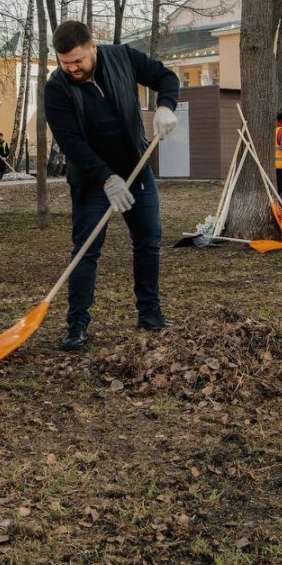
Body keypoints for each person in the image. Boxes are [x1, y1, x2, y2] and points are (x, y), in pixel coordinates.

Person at [45, 19, 180, 350]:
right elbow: (71, 142)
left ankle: (150, 314)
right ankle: (77, 323)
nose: (72, 68)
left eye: (77, 61)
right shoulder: (56, 88)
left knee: (148, 241)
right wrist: (106, 178)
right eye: (65, 63)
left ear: (93, 46)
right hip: (92, 179)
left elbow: (166, 77)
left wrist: (166, 106)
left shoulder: (122, 58)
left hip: (136, 167)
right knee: (86, 250)